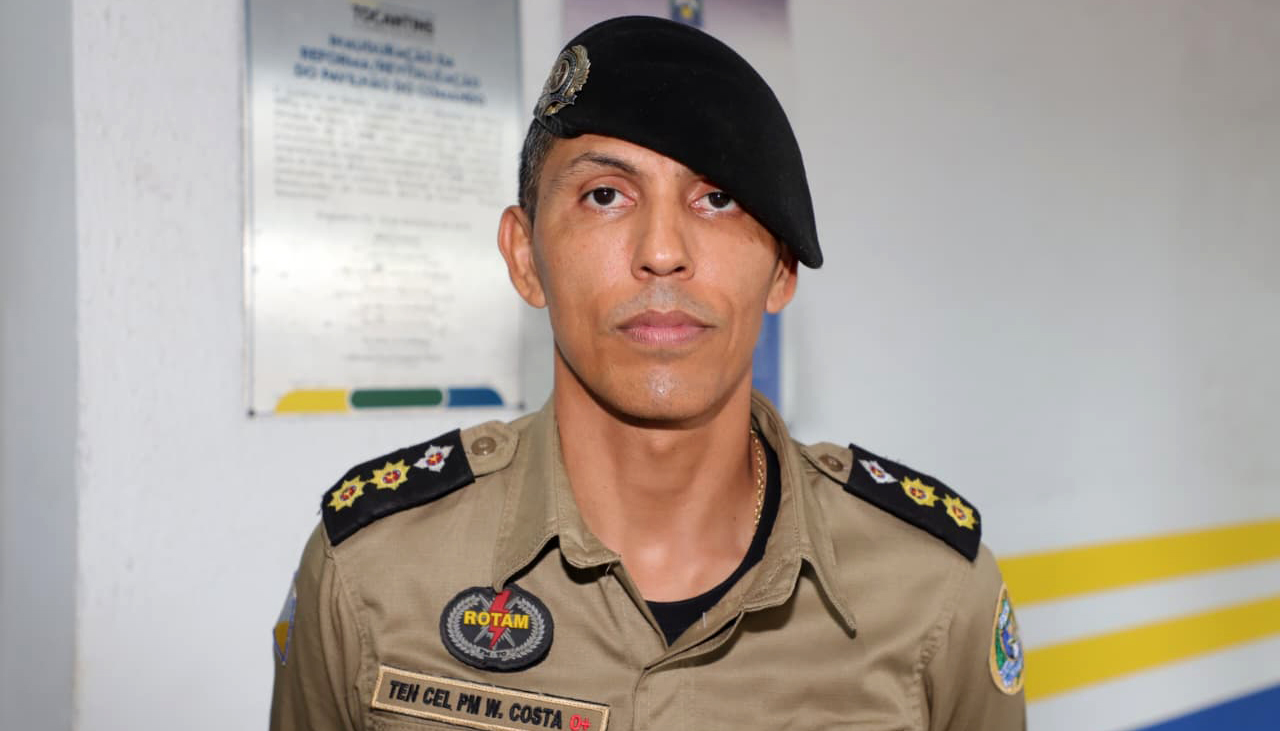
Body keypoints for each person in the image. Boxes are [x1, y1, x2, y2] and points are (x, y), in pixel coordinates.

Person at [270, 15, 1026, 731]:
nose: (662, 251)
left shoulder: (932, 598)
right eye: (605, 195)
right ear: (525, 257)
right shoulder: (372, 575)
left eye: (717, 198)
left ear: (781, 269)